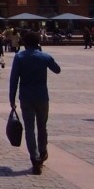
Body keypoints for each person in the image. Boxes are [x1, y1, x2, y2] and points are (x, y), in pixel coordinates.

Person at [8, 30, 61, 174]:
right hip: (42, 96)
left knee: (29, 128)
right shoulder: (44, 56)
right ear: (38, 43)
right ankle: (43, 151)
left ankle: (35, 157)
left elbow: (14, 79)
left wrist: (12, 98)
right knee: (42, 126)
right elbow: (57, 70)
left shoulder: (19, 57)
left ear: (25, 43)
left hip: (26, 97)